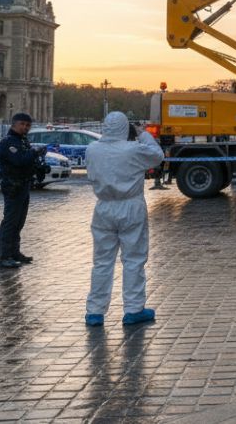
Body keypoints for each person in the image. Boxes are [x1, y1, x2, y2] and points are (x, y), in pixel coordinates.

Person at [83, 112, 165, 326]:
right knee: (134, 259)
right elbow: (157, 156)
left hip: (103, 206)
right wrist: (143, 133)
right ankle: (133, 309)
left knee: (102, 261)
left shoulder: (92, 150)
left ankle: (95, 311)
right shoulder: (132, 150)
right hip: (130, 205)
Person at [0, 112, 46, 269]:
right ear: (14, 124)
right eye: (22, 124)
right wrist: (34, 152)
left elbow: (28, 162)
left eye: (28, 125)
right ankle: (4, 257)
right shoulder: (8, 142)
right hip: (12, 186)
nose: (25, 127)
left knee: (19, 222)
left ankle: (14, 253)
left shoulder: (22, 141)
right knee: (10, 222)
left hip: (23, 185)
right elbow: (19, 160)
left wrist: (40, 168)